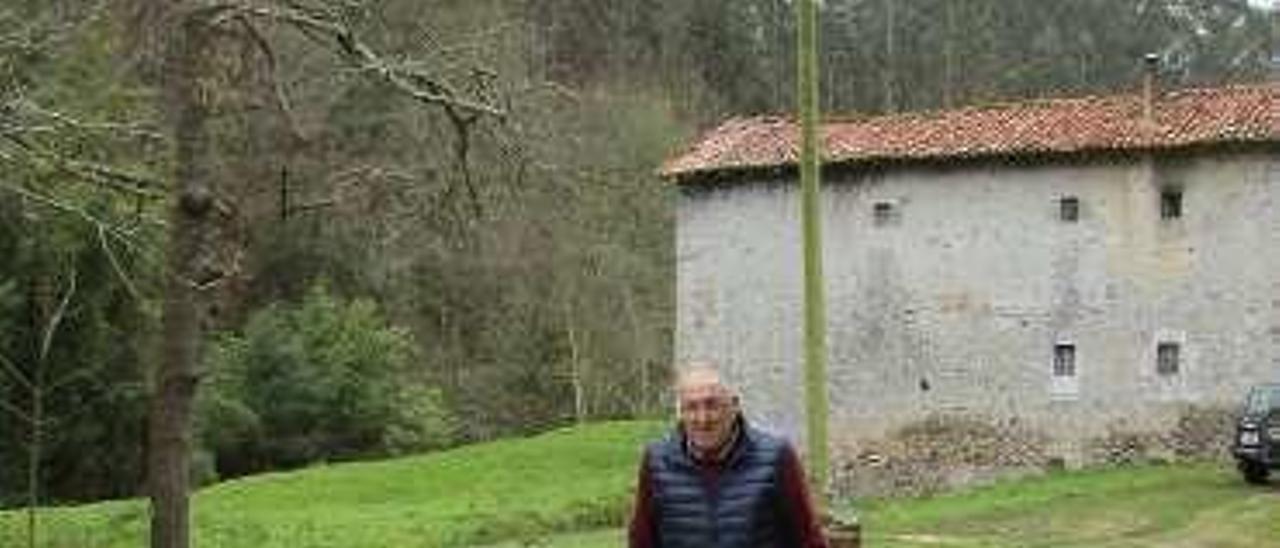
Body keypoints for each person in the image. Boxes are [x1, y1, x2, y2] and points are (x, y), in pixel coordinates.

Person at [628, 363, 829, 548]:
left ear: (734, 406)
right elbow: (641, 541)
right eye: (691, 407)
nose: (703, 418)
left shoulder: (776, 458)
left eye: (712, 405)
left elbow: (809, 540)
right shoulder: (657, 461)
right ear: (681, 412)